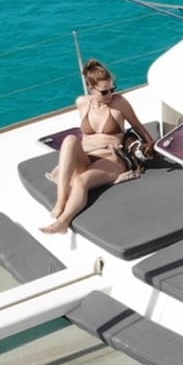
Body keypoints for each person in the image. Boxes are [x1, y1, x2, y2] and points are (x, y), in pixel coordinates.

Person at [41, 59, 155, 234]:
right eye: (104, 91)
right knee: (70, 139)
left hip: (111, 158)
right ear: (91, 89)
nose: (110, 94)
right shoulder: (82, 103)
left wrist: (153, 146)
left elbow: (138, 126)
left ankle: (62, 222)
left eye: (112, 88)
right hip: (86, 157)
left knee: (80, 181)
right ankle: (61, 200)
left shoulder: (119, 103)